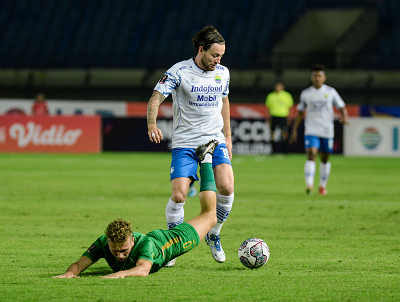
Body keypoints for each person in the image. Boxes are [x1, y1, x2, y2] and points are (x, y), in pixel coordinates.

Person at [52, 141, 219, 278]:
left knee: (210, 215)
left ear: (132, 240)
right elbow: (79, 264)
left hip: (172, 241)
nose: (120, 256)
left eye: (124, 251)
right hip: (156, 241)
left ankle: (206, 159)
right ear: (108, 242)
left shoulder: (144, 244)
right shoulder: (103, 243)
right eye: (115, 251)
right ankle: (205, 159)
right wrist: (70, 272)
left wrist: (121, 274)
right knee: (208, 215)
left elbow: (143, 270)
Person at [147, 25, 234, 266]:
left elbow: (224, 100)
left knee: (226, 187)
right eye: (214, 55)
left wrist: (227, 134)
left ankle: (214, 233)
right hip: (185, 142)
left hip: (214, 140)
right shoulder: (179, 71)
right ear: (200, 50)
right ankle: (174, 244)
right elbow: (156, 96)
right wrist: (151, 124)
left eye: (221, 56)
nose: (218, 60)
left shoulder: (223, 73)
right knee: (179, 194)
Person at [289, 64, 349, 195]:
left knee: (325, 158)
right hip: (311, 129)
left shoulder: (330, 92)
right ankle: (309, 185)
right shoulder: (306, 93)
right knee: (311, 154)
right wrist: (294, 130)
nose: (317, 78)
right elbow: (299, 112)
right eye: (315, 76)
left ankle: (322, 186)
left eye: (319, 76)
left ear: (324, 78)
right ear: (312, 78)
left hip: (327, 130)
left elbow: (341, 106)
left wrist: (344, 117)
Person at [265, 81, 293, 153]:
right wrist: (268, 118)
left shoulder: (287, 96)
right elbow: (268, 108)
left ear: (282, 87)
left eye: (280, 86)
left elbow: (290, 107)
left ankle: (285, 150)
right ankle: (273, 150)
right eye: (277, 86)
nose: (278, 88)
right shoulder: (271, 96)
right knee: (272, 133)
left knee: (285, 133)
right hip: (274, 116)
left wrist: (290, 117)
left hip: (283, 116)